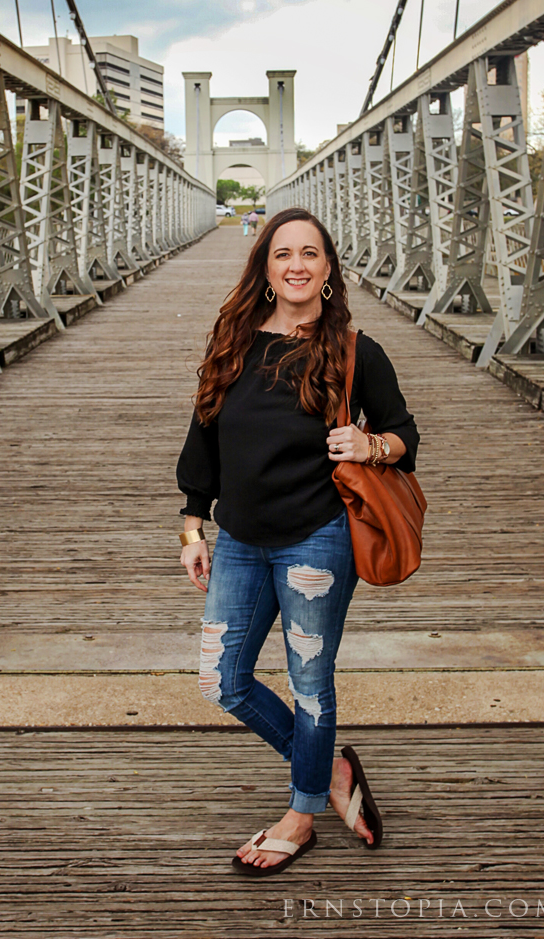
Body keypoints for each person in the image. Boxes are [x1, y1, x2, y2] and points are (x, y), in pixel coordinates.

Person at [176, 207, 419, 875]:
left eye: (311, 253)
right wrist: (193, 523)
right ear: (265, 267)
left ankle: (301, 814)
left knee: (310, 684)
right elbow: (204, 437)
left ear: (329, 269)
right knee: (221, 681)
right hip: (239, 541)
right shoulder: (233, 339)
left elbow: (405, 436)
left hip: (317, 540)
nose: (297, 264)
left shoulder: (354, 350)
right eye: (283, 253)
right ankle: (331, 768)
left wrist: (371, 444)